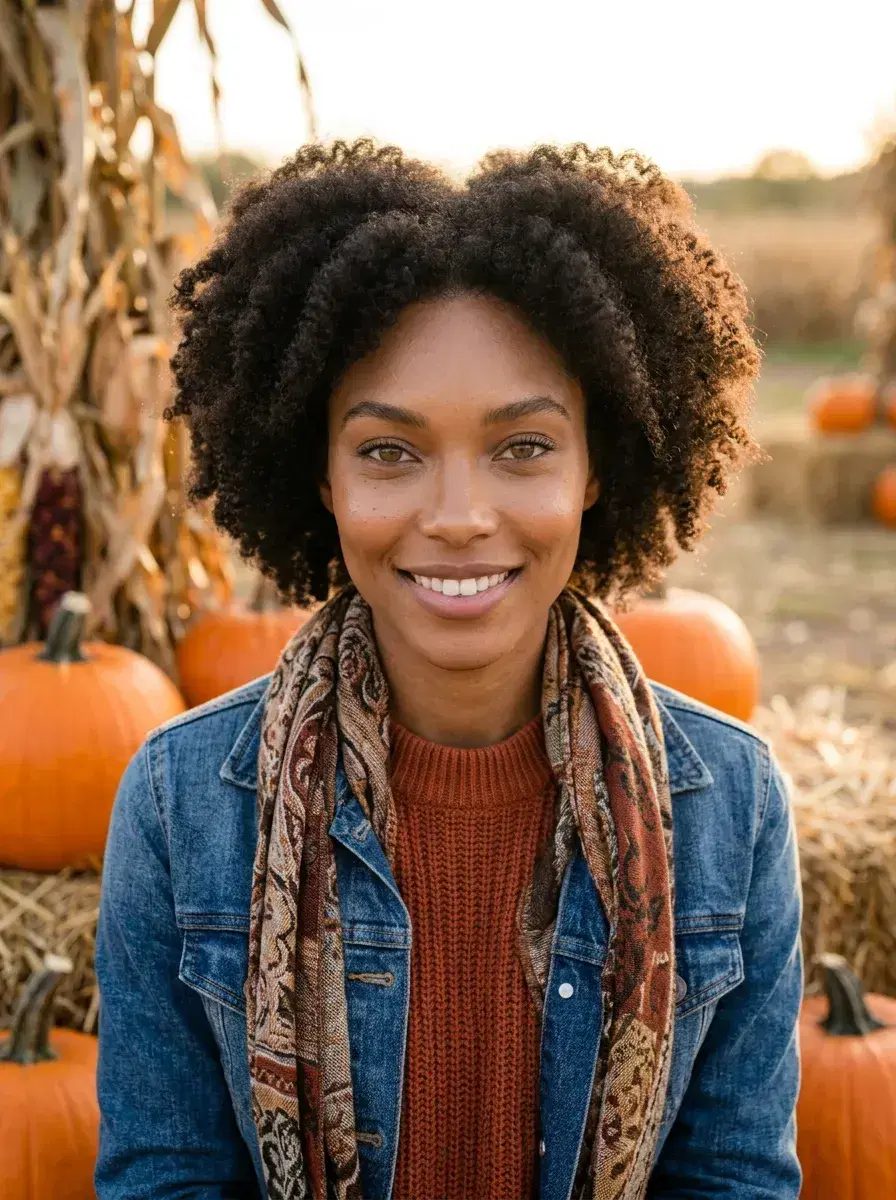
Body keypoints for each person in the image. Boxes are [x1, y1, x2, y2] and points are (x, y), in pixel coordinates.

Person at [95, 140, 802, 1200]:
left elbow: (731, 1180)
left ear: (596, 467)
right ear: (319, 473)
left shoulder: (729, 804)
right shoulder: (179, 803)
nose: (460, 516)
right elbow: (167, 1180)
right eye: (388, 451)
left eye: (522, 447)